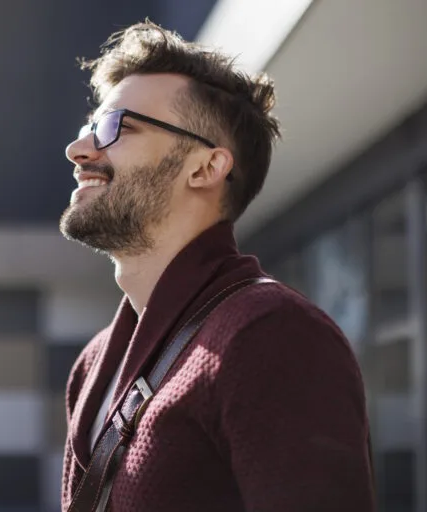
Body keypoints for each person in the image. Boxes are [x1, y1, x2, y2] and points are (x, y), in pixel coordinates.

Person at [59, 21, 375, 511]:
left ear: (205, 168)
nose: (79, 150)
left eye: (115, 126)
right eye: (88, 128)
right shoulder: (93, 363)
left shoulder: (271, 335)